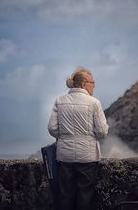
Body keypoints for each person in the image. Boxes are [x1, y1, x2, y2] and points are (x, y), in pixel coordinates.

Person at [48, 67, 109, 210]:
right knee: (85, 196)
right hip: (87, 157)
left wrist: (64, 137)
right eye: (92, 82)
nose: (94, 85)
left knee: (65, 195)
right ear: (83, 84)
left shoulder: (59, 101)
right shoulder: (94, 102)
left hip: (65, 156)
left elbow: (52, 128)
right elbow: (102, 131)